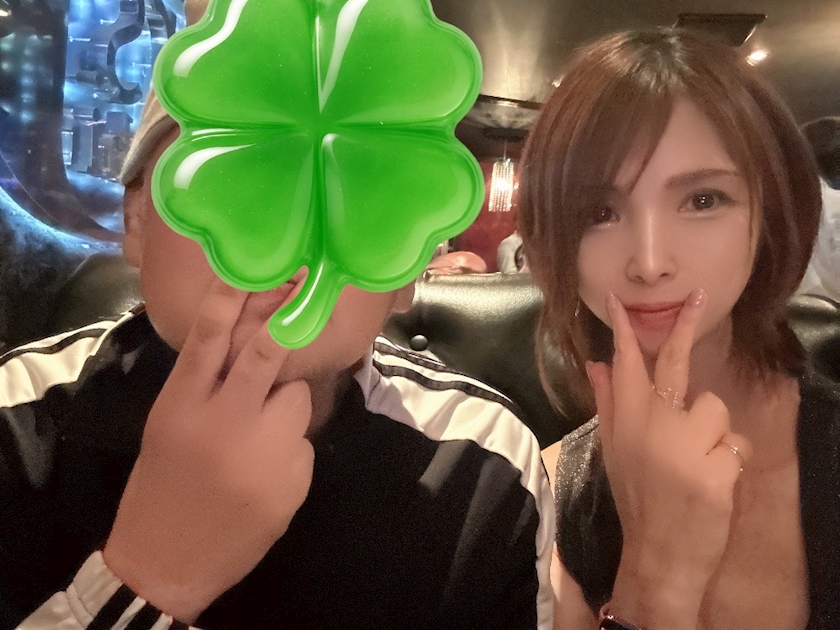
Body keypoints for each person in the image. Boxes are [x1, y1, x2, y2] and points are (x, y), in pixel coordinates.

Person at [0, 33, 553, 630]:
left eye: (355, 193)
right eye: (229, 176)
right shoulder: (16, 422)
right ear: (135, 222)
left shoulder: (483, 465)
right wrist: (148, 580)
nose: (289, 238)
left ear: (406, 271)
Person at [518, 28, 839, 629]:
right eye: (599, 212)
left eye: (703, 200)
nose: (649, 262)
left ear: (770, 212)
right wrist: (654, 577)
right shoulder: (547, 491)